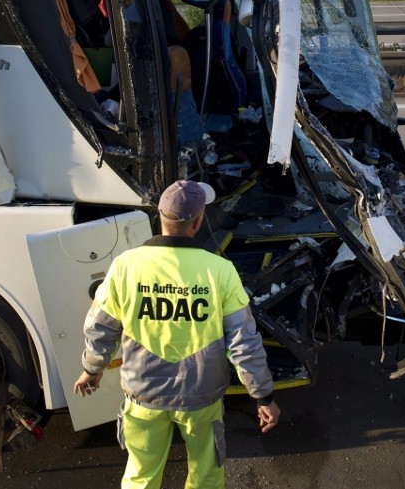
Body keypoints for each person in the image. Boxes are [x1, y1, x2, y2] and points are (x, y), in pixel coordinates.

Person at [74, 180, 280, 489]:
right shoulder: (220, 270)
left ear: (159, 217)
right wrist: (263, 396)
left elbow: (101, 328)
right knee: (207, 476)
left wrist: (92, 369)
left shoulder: (125, 266)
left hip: (142, 394)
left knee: (141, 476)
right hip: (201, 397)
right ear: (198, 222)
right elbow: (244, 343)